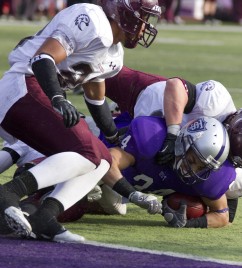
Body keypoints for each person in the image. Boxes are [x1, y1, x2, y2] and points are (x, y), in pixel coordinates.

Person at [0, 1, 161, 241]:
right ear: (125, 14)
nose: (144, 27)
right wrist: (58, 98)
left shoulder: (114, 53)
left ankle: (45, 217)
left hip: (37, 96)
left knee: (102, 160)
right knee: (86, 151)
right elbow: (42, 58)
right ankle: (9, 193)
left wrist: (113, 135)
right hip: (22, 85)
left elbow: (96, 98)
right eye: (143, 19)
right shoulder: (92, 19)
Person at [101, 114, 235, 228]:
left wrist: (189, 223)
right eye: (192, 160)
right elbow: (106, 161)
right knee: (93, 183)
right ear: (184, 140)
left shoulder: (208, 177)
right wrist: (132, 195)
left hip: (115, 187)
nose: (192, 171)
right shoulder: (153, 138)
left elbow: (222, 215)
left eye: (201, 168)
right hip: (96, 151)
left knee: (114, 206)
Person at [104, 66, 237, 165]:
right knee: (94, 73)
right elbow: (175, 85)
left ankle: (117, 117)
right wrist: (172, 135)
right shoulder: (217, 103)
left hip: (148, 134)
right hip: (149, 96)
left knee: (101, 146)